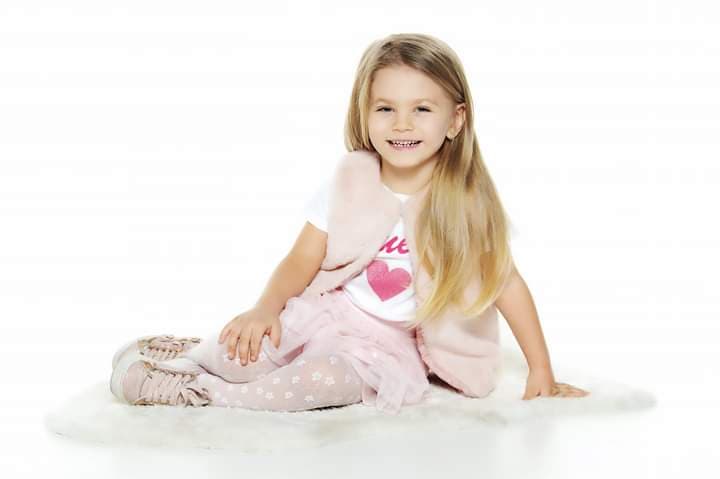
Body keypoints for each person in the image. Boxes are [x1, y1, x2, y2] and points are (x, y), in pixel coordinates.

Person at [110, 33, 589, 415]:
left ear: (455, 120)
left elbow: (508, 284)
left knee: (325, 382)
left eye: (422, 109)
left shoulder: (467, 202)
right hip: (330, 315)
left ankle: (202, 395)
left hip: (391, 347)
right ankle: (189, 357)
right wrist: (265, 308)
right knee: (247, 354)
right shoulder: (351, 181)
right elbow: (302, 258)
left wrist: (540, 370)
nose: (402, 124)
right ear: (365, 112)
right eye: (386, 108)